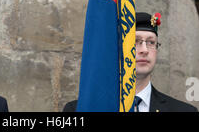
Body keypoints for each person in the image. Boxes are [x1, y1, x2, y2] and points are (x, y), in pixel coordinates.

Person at [63, 12, 198, 112]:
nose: (144, 50)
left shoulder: (183, 110)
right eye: (135, 42)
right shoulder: (78, 109)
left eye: (151, 42)